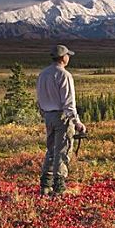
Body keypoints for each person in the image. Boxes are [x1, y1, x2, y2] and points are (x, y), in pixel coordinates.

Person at [36, 44, 86, 196]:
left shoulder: (43, 74)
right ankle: (59, 187)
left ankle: (45, 185)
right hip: (62, 117)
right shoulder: (64, 75)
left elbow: (39, 98)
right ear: (63, 57)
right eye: (68, 55)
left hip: (48, 116)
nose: (69, 57)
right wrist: (77, 122)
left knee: (51, 150)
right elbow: (69, 102)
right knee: (62, 151)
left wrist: (44, 113)